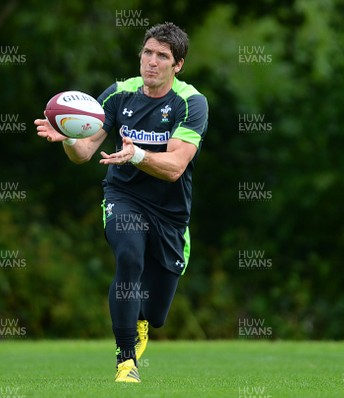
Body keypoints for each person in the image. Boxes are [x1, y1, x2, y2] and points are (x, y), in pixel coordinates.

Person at [35, 22, 208, 383]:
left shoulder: (191, 103)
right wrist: (68, 135)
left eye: (163, 56)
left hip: (170, 213)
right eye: (148, 52)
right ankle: (125, 360)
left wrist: (135, 154)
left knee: (156, 314)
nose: (152, 62)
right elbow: (83, 152)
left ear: (178, 65)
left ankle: (142, 322)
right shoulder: (118, 94)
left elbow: (175, 167)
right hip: (124, 197)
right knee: (128, 256)